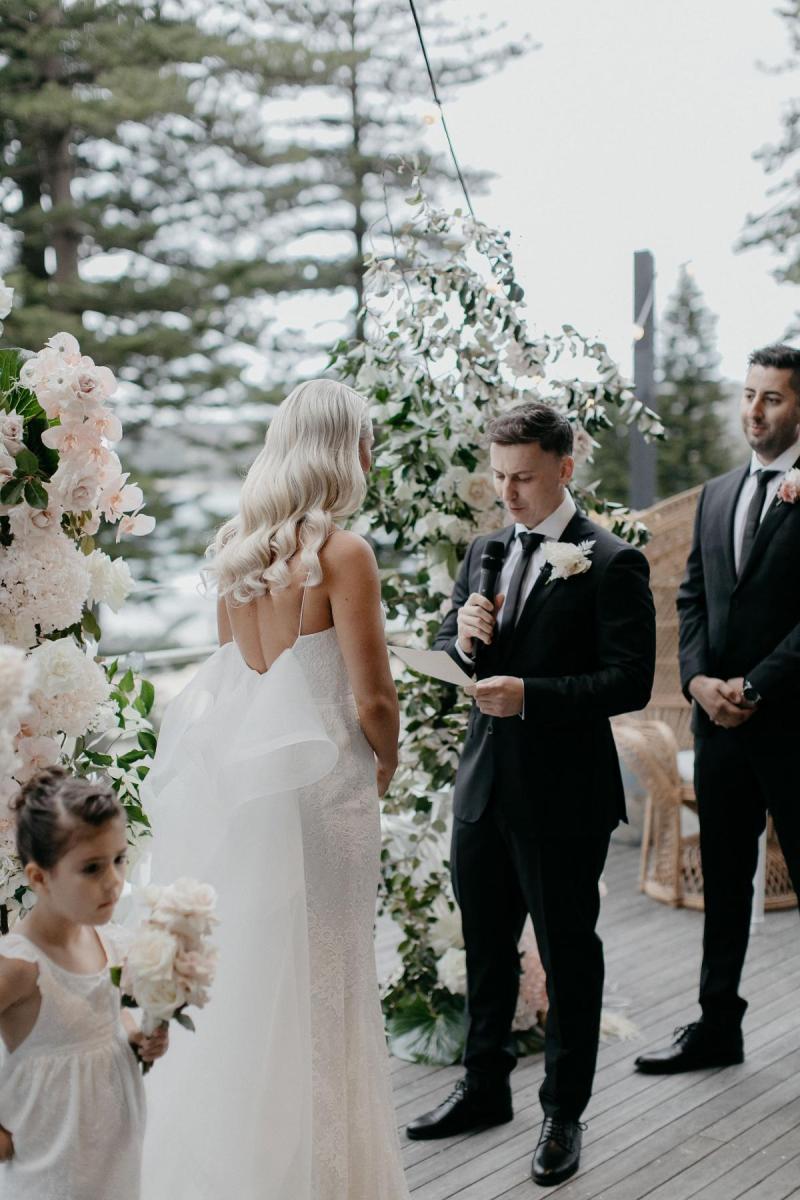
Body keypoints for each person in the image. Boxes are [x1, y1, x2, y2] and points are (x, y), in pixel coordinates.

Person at [141, 379, 410, 1199]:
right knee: (328, 980)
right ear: (344, 446)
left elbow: (238, 683)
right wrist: (386, 763)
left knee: (261, 983)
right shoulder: (343, 552)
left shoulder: (237, 548)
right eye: (366, 436)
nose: (371, 452)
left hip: (255, 798)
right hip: (329, 796)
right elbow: (373, 699)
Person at [406, 403, 656, 1187]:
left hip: (562, 799)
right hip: (482, 789)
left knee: (568, 958)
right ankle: (483, 1090)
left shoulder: (610, 561)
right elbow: (451, 645)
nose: (507, 492)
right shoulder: (483, 551)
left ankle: (562, 1114)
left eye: (523, 478)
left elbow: (631, 681)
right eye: (498, 475)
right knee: (486, 949)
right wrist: (465, 637)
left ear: (565, 468)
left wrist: (535, 696)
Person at [635, 343, 800, 1076]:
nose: (754, 410)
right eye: (748, 394)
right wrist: (701, 681)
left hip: (795, 728)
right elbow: (694, 596)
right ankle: (716, 1028)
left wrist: (758, 686)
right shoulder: (719, 494)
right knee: (726, 885)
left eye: (772, 397)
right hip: (721, 729)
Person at [0, 766, 168, 1200]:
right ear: (39, 878)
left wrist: (138, 1036)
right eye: (92, 868)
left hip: (112, 1160)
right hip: (50, 1168)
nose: (114, 881)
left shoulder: (107, 940)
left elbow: (102, 1022)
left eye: (118, 860)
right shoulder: (20, 966)